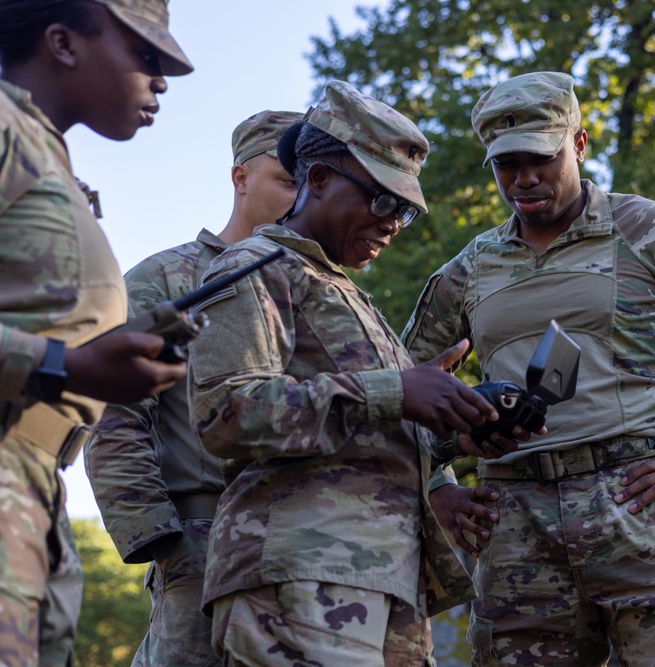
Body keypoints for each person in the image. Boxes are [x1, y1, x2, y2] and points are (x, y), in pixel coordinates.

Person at [405, 71, 655, 666]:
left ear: (580, 144)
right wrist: (434, 484)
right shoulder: (471, 268)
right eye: (506, 164)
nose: (524, 178)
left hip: (643, 505)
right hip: (514, 525)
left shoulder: (652, 230)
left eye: (541, 158)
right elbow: (405, 377)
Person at [185, 80, 512, 666]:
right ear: (317, 180)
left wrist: (451, 427)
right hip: (298, 577)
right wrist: (396, 389)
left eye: (405, 210)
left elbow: (368, 426)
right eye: (381, 199)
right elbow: (226, 414)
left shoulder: (342, 292)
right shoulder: (252, 268)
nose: (392, 222)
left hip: (382, 580)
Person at [0, 1, 191, 664]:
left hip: (37, 488)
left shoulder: (49, 160)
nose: (162, 81)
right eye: (146, 56)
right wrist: (63, 365)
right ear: (62, 42)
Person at [83, 109, 302, 667]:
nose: (299, 196)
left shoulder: (318, 289)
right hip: (202, 537)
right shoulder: (167, 279)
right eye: (286, 179)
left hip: (309, 544)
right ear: (241, 178)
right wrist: (159, 538)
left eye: (312, 182)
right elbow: (113, 411)